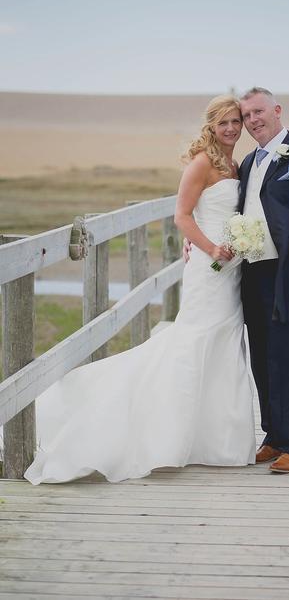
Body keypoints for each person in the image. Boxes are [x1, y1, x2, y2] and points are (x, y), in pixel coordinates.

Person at [23, 95, 256, 484]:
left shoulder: (236, 164)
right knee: (195, 339)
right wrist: (209, 246)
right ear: (211, 126)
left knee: (226, 339)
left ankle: (218, 441)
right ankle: (168, 436)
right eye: (223, 123)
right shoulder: (201, 163)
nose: (231, 128)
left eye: (236, 121)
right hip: (208, 266)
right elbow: (181, 216)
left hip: (231, 270)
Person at [186, 87, 289, 473]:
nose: (251, 121)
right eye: (245, 115)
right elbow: (218, 211)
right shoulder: (248, 161)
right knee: (262, 354)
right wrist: (195, 241)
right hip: (250, 272)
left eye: (257, 113)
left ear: (277, 111)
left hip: (286, 270)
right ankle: (272, 436)